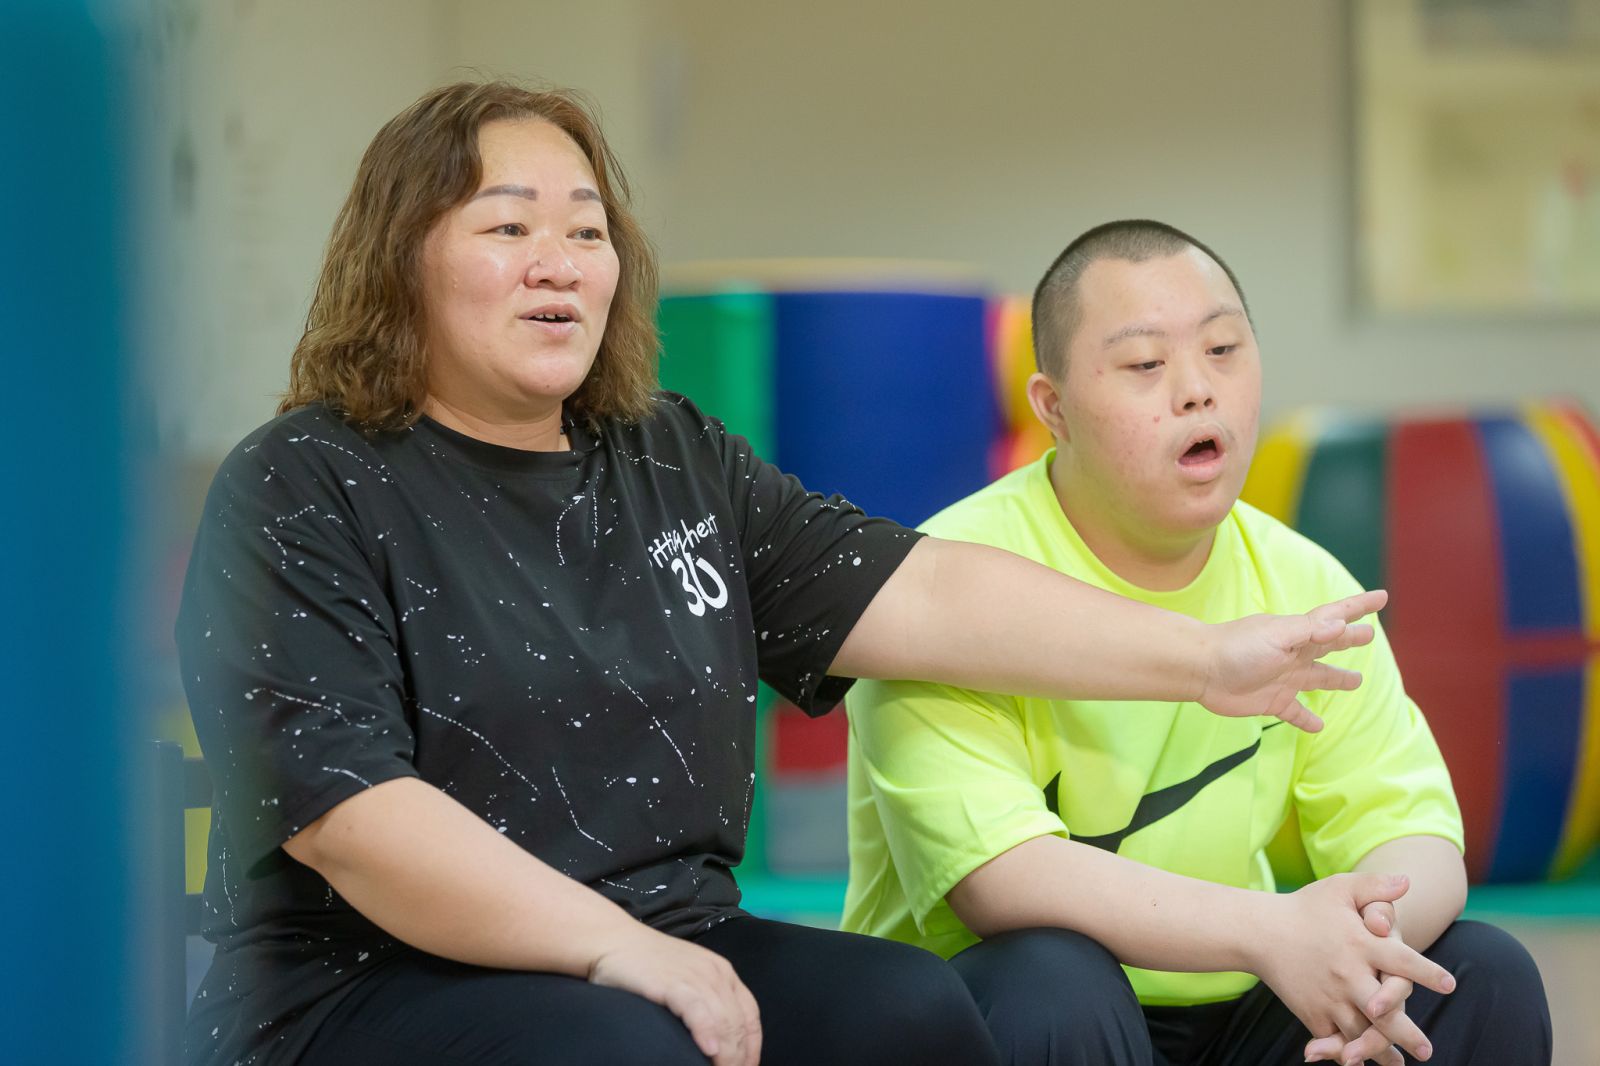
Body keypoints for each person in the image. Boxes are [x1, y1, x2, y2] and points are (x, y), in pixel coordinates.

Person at [178, 87, 1388, 1066]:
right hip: (373, 978)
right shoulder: (302, 483)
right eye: (508, 229)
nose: (560, 263)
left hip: (672, 936)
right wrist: (613, 949)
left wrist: (1205, 658)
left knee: (907, 1010)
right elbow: (353, 819)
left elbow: (920, 594)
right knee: (629, 1046)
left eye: (587, 232)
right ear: (401, 260)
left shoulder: (667, 454)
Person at [842, 220, 1553, 1066]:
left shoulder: (1302, 581)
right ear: (1053, 408)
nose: (1196, 390)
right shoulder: (945, 585)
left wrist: (1366, 948)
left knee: (1479, 974)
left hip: (1228, 1000)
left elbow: (1414, 837)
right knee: (1055, 980)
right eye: (1145, 364)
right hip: (992, 1001)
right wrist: (1274, 931)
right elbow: (1001, 881)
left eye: (1222, 350)